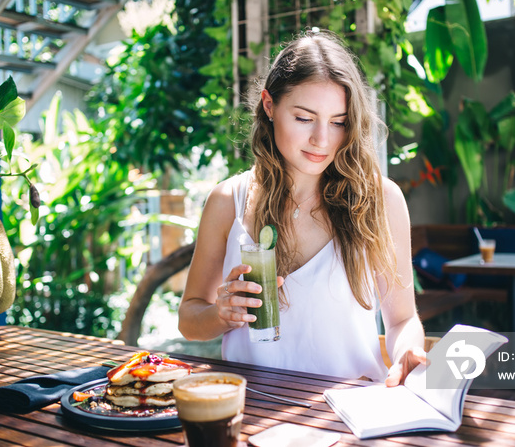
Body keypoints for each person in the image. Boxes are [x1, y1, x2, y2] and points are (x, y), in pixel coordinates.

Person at [178, 30, 425, 385]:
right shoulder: (227, 201)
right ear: (269, 105)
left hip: (350, 417)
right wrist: (221, 314)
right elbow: (189, 318)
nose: (322, 140)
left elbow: (402, 320)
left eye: (338, 122)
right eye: (304, 118)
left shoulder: (379, 201)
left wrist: (406, 355)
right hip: (254, 416)